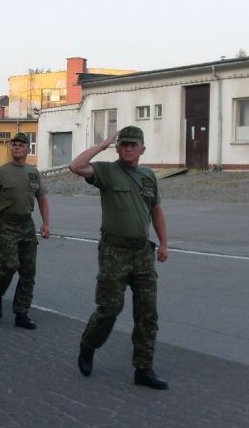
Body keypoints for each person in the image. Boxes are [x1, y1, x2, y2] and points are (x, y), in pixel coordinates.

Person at [68, 125, 169, 390]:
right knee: (109, 309)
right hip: (114, 252)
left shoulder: (148, 176)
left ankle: (143, 368)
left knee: (147, 313)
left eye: (133, 145)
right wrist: (102, 145)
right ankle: (88, 345)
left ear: (142, 148)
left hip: (142, 253)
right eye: (123, 144)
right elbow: (76, 166)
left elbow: (156, 210)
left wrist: (163, 244)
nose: (127, 148)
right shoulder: (107, 171)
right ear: (117, 148)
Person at [0, 132, 50, 330]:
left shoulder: (33, 172)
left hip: (27, 224)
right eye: (14, 144)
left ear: (28, 149)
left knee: (28, 271)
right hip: (7, 224)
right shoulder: (1, 172)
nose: (16, 147)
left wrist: (46, 223)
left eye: (21, 144)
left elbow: (42, 198)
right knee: (10, 265)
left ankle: (21, 313)